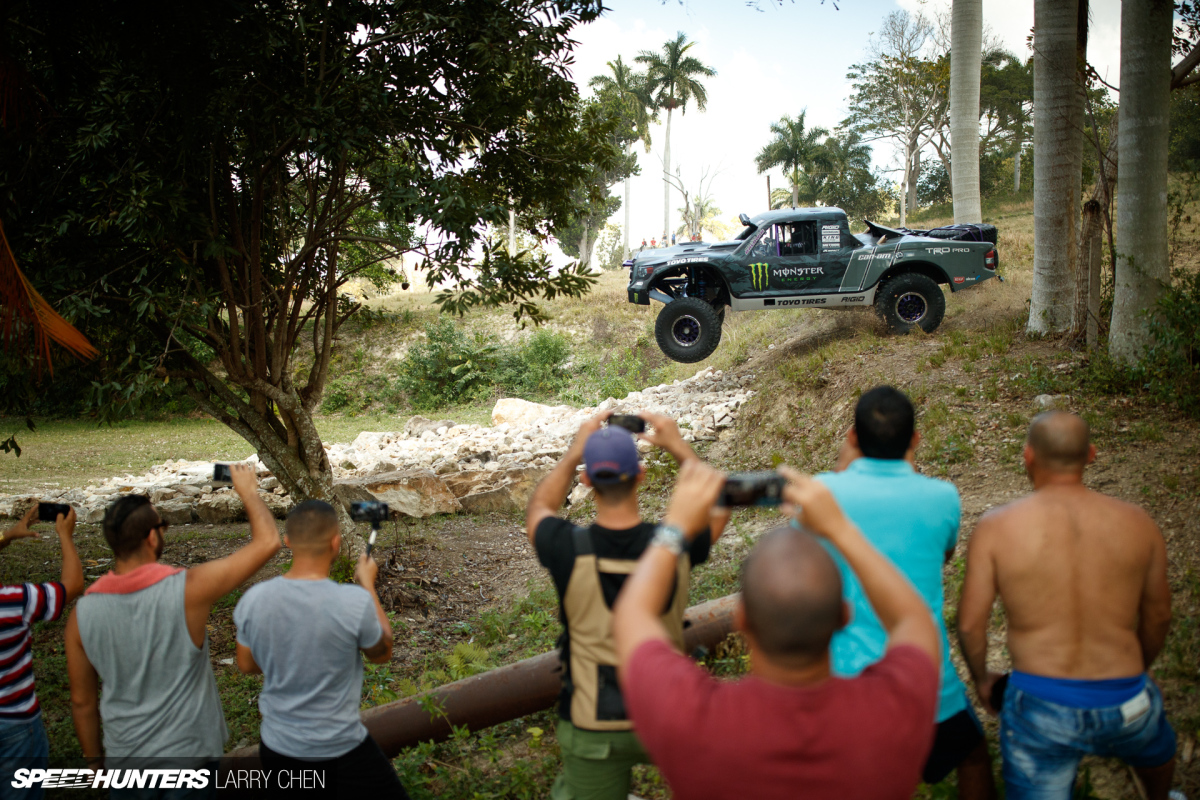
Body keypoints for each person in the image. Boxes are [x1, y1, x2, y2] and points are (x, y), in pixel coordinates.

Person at [612, 462, 941, 800]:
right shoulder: (893, 711)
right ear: (844, 616)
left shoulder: (691, 720)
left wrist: (675, 528)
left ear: (741, 621)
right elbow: (914, 620)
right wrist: (841, 529)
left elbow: (631, 615)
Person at [958, 412, 1176, 800]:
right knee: (1157, 750)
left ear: (1027, 456)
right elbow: (1159, 614)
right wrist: (1137, 670)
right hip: (1127, 700)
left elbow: (972, 625)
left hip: (1042, 704)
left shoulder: (997, 527)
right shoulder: (1138, 523)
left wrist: (981, 678)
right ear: (1090, 455)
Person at [525, 411, 726, 800]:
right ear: (641, 475)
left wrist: (571, 455)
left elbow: (538, 512)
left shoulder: (564, 546)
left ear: (586, 481)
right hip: (666, 716)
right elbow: (719, 504)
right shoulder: (676, 542)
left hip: (591, 723)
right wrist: (679, 447)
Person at [822, 386, 995, 799]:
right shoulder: (943, 498)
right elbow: (945, 555)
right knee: (972, 757)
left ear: (851, 438)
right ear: (915, 440)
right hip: (925, 682)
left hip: (846, 684)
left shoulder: (821, 494)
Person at [65, 464, 281, 794]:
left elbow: (82, 702)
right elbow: (268, 542)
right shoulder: (188, 590)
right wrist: (248, 492)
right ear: (153, 536)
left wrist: (95, 765)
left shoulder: (81, 615)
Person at [234, 500, 408, 798]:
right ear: (336, 543)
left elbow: (247, 664)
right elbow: (382, 653)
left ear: (287, 540)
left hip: (278, 749)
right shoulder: (352, 602)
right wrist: (367, 585)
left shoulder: (254, 599)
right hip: (340, 749)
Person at [0, 506, 83, 800]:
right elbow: (71, 586)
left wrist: (6, 537)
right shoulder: (12, 603)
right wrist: (65, 536)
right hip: (16, 724)